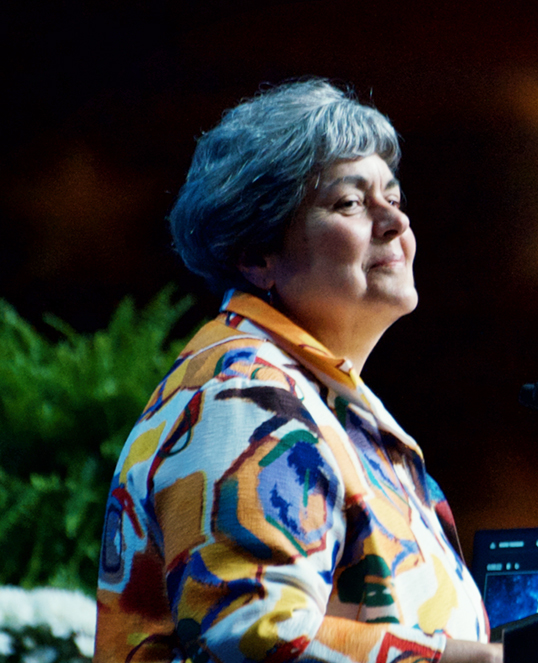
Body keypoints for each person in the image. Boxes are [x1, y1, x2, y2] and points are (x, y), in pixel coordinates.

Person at [95, 79, 501, 663]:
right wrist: (485, 661)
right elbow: (255, 636)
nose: (394, 222)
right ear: (257, 256)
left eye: (394, 197)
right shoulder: (242, 396)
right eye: (351, 203)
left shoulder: (311, 396)